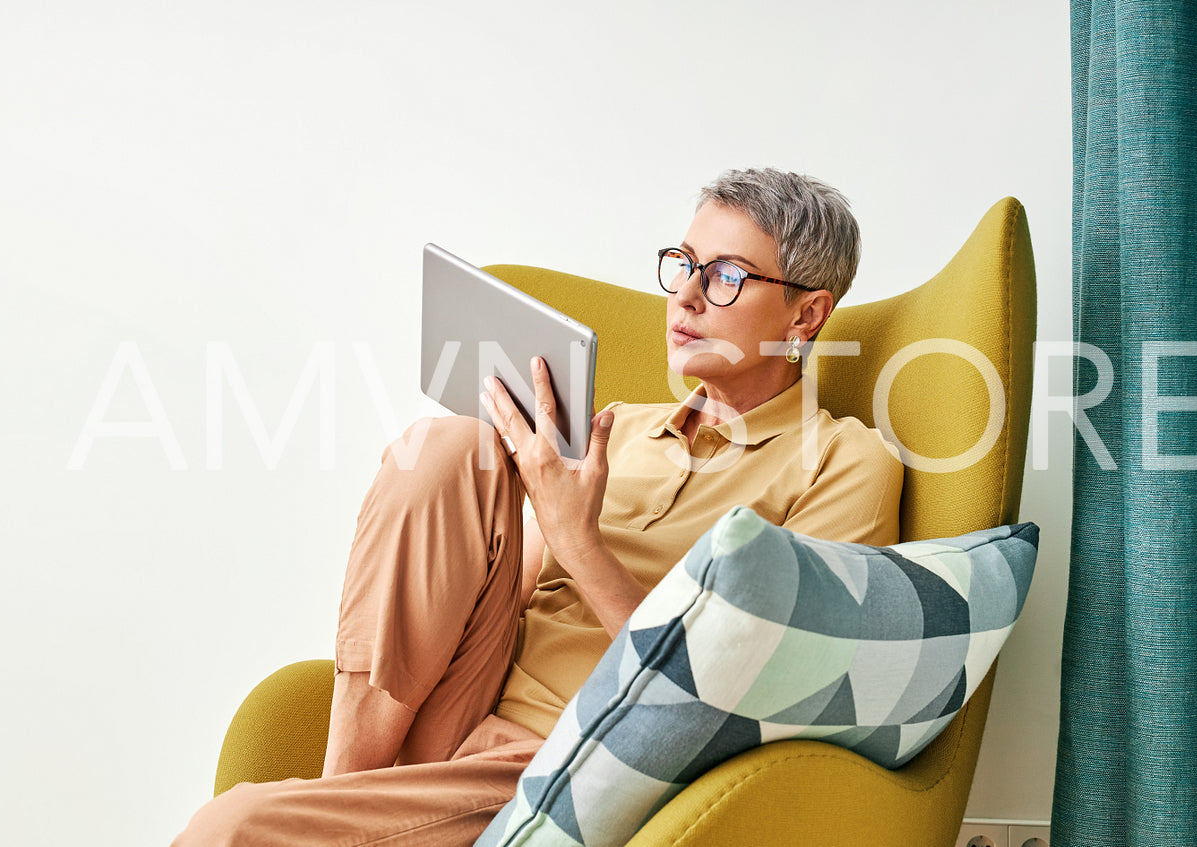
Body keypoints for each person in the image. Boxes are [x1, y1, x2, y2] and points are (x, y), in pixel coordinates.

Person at [173, 168, 904, 846]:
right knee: (450, 444)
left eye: (725, 278)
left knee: (231, 827)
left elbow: (751, 696)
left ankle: (345, 814)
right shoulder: (618, 426)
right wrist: (516, 511)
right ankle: (351, 787)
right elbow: (508, 599)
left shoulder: (843, 462)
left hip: (588, 758)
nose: (683, 296)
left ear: (805, 314)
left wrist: (576, 538)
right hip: (464, 714)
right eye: (682, 264)